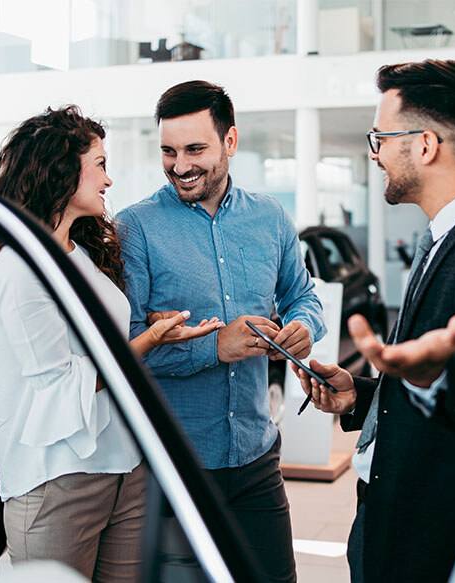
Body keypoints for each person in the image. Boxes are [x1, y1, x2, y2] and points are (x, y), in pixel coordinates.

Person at [292, 59, 455, 582]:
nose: (376, 154)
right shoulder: (449, 238)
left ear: (426, 145)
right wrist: (360, 395)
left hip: (432, 549)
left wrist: (434, 380)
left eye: (380, 138)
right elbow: (427, 388)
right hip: (392, 529)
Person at [0, 105, 223, 582]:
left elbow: (101, 340)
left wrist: (151, 327)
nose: (109, 179)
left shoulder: (77, 253)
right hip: (57, 480)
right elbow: (63, 385)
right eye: (100, 164)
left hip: (124, 466)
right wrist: (148, 341)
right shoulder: (20, 271)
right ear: (63, 170)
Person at [115, 81, 326, 583]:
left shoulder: (270, 217)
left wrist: (303, 325)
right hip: (173, 468)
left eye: (195, 149)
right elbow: (123, 351)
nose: (180, 165)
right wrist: (216, 346)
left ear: (230, 142)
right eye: (168, 150)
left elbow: (304, 295)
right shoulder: (135, 228)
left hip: (256, 457)